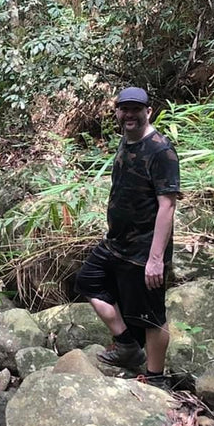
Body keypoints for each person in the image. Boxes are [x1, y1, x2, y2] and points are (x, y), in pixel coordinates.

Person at [75, 87, 181, 388]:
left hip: (144, 249)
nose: (130, 114)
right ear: (118, 112)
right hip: (116, 243)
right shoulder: (126, 140)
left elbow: (167, 205)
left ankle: (156, 377)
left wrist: (156, 259)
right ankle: (126, 346)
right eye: (125, 109)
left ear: (148, 110)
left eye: (136, 109)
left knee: (151, 314)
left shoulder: (161, 151)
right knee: (88, 281)